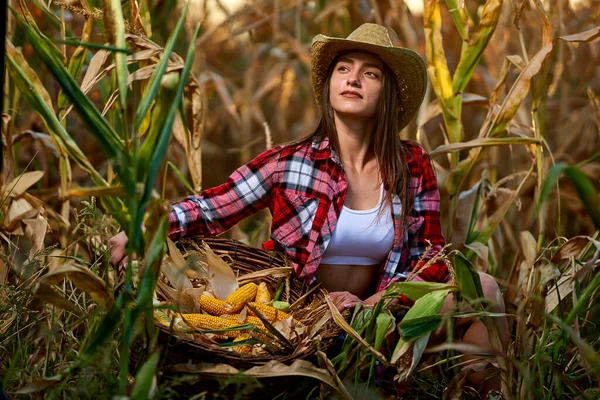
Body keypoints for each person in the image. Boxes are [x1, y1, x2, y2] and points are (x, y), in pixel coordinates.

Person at [110, 23, 508, 396]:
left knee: (484, 289)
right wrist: (146, 228)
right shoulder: (288, 163)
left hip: (381, 320)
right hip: (305, 323)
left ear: (388, 94)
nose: (352, 78)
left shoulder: (411, 165)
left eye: (371, 73)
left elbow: (430, 258)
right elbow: (212, 207)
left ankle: (476, 392)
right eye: (343, 68)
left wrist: (378, 303)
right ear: (329, 85)